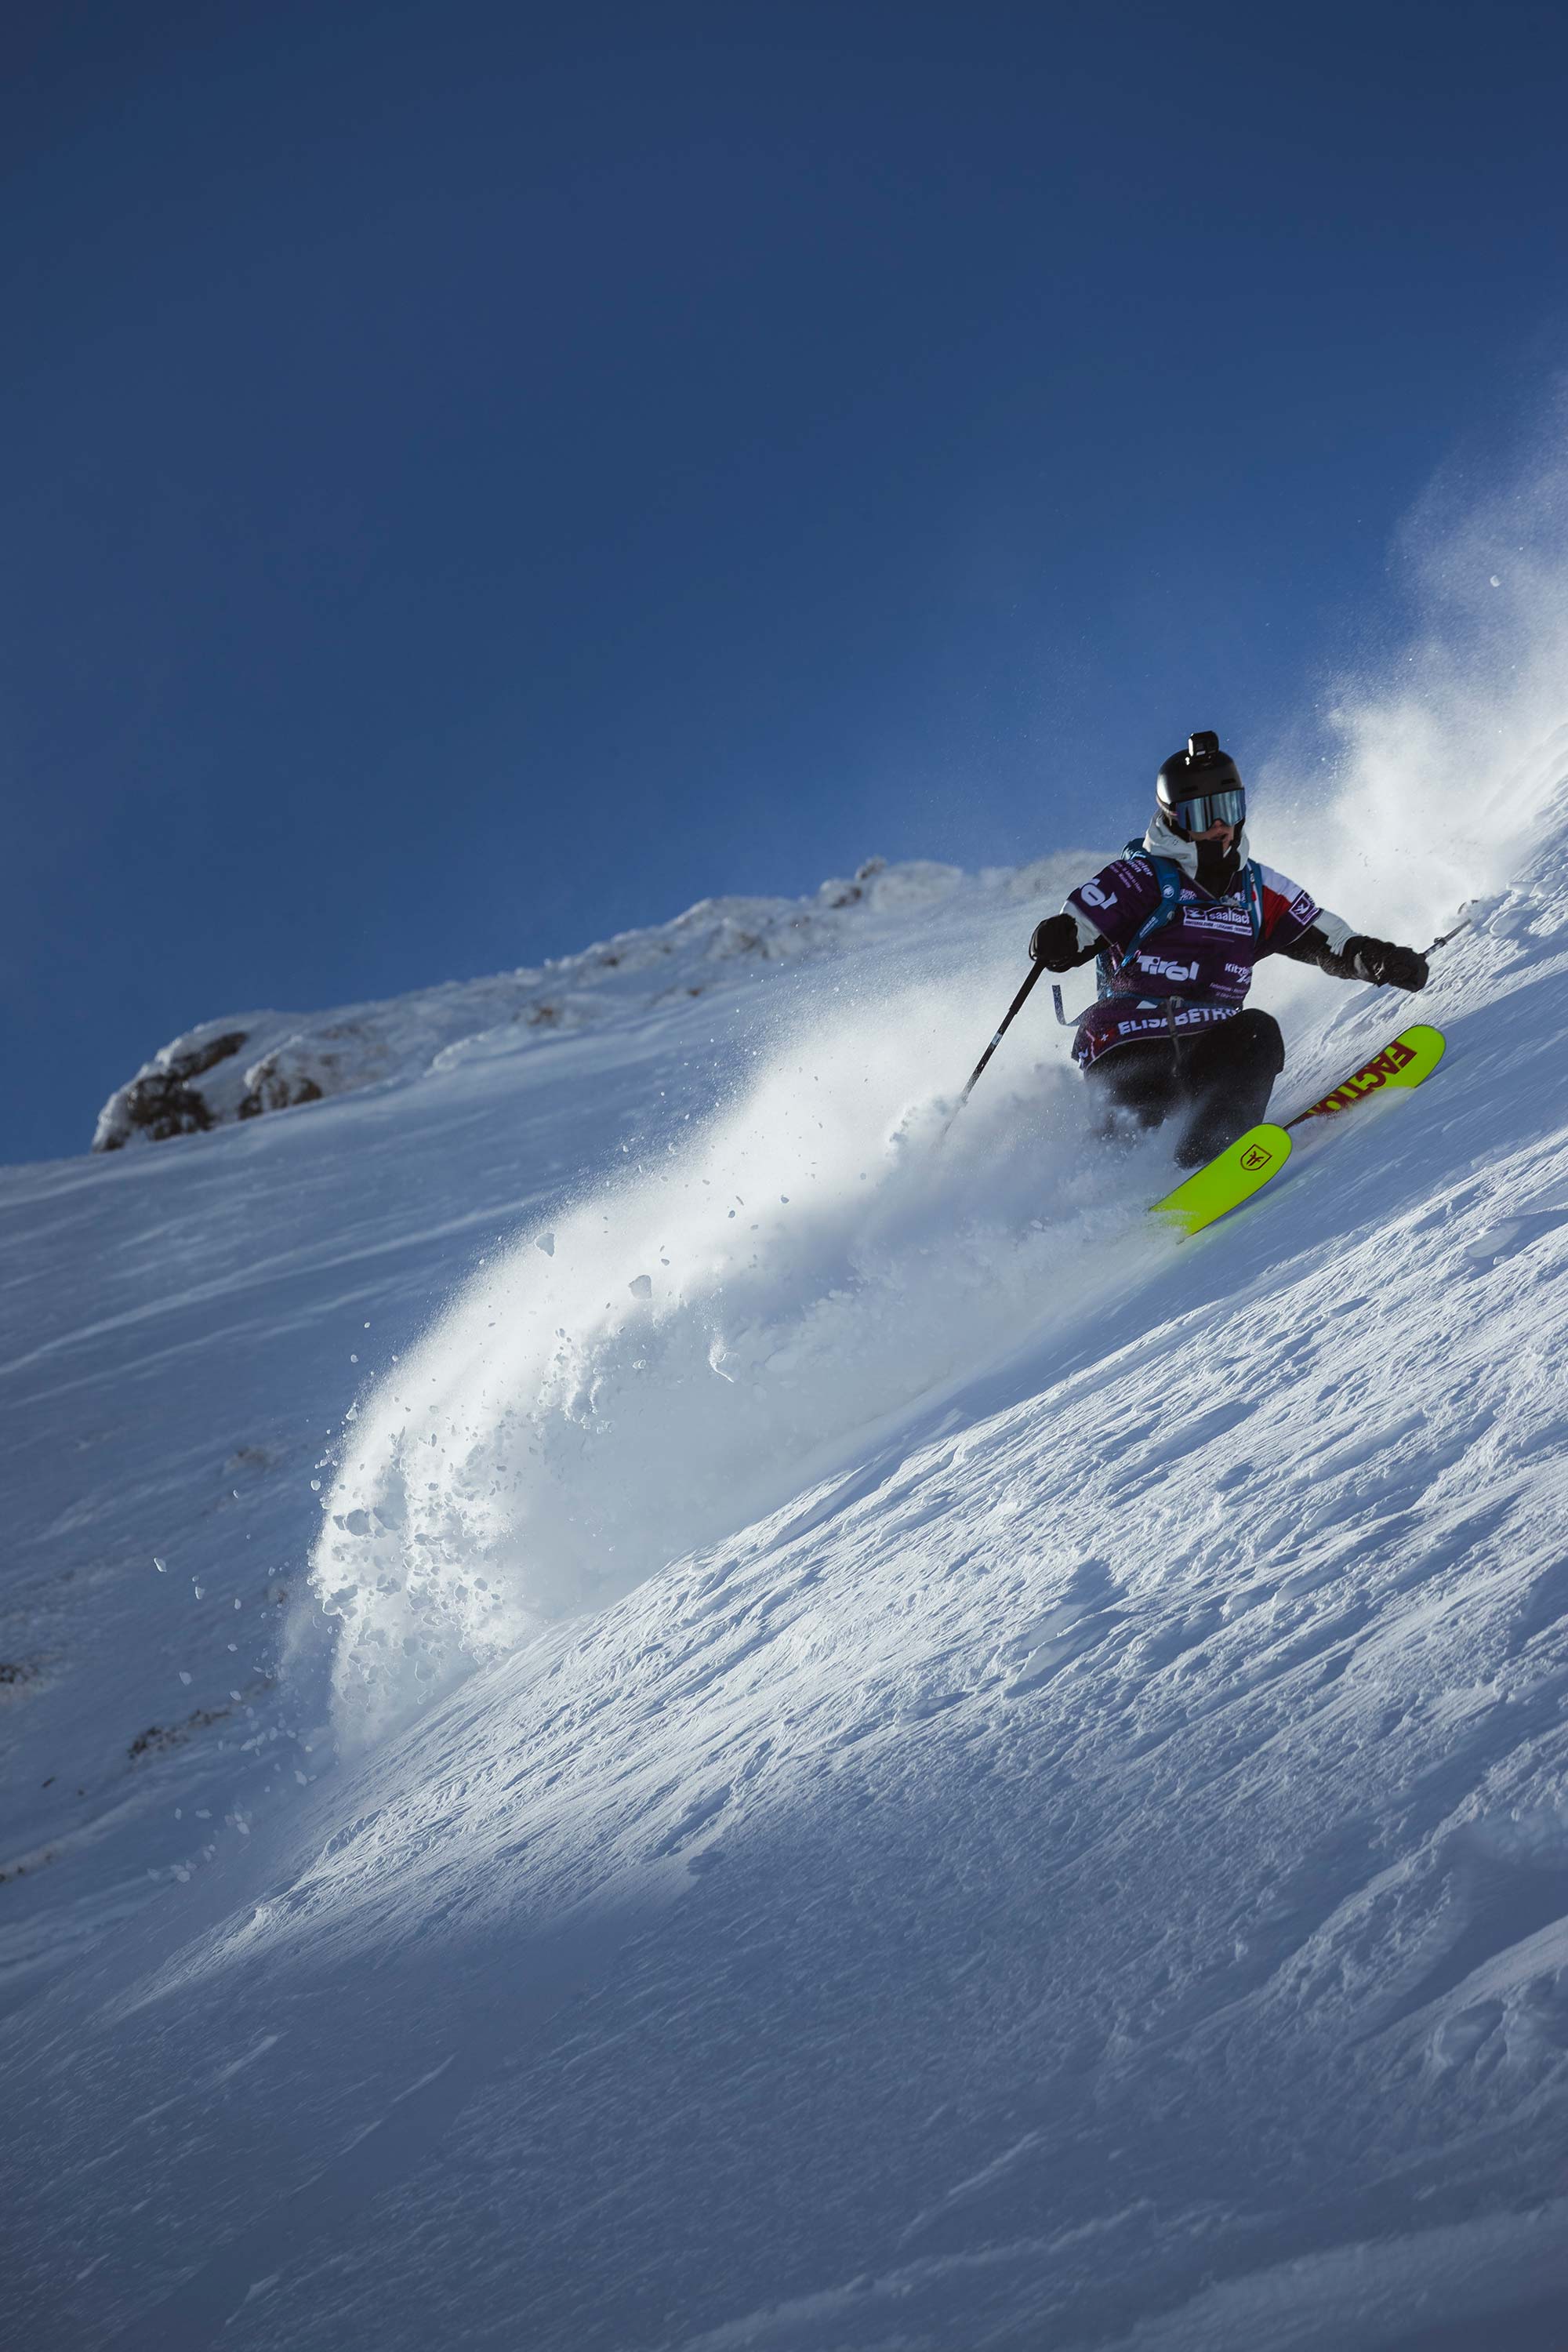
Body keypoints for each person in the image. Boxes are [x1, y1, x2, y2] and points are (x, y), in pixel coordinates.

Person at [1028, 731, 1430, 1168]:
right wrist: (1059, 938)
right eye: (1204, 813)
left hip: (1209, 1045)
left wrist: (1377, 958)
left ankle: (1211, 1158)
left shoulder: (1258, 890)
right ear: (1175, 819)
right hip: (1129, 1046)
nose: (1221, 825)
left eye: (1230, 809)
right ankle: (1105, 1187)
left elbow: (1325, 940)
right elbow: (1083, 924)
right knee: (1134, 1120)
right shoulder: (1140, 878)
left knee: (1257, 1031)